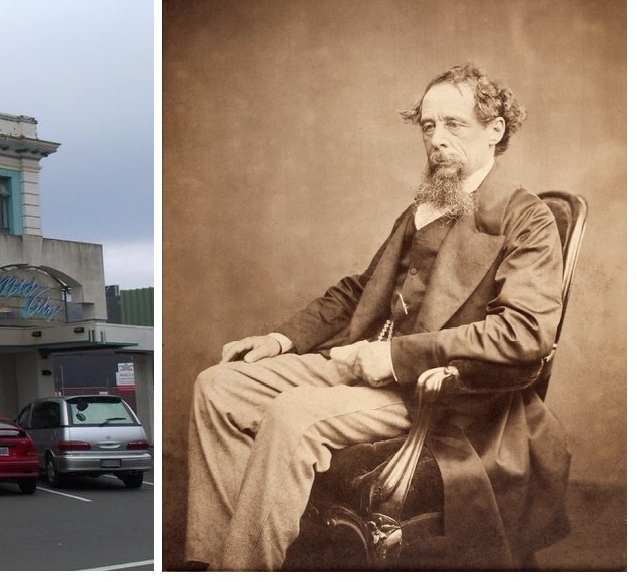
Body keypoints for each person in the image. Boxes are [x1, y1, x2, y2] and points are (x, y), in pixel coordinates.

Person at [184, 63, 571, 571]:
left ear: (495, 130)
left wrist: (390, 356)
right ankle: (219, 561)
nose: (437, 140)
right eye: (428, 126)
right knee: (218, 386)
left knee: (290, 416)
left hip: (441, 393)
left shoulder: (526, 217)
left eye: (454, 125)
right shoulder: (427, 206)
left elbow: (522, 334)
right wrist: (279, 339)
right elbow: (361, 292)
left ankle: (246, 569)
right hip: (361, 363)